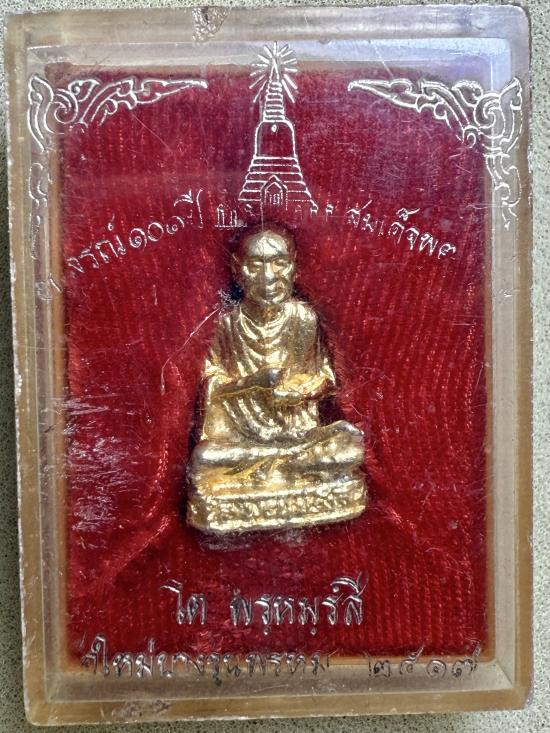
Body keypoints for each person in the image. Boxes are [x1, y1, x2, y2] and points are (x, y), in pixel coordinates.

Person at [187, 226, 367, 532]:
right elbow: (212, 382)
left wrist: (301, 391)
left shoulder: (304, 319)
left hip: (299, 433)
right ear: (238, 271)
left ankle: (285, 464)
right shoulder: (228, 324)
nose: (268, 277)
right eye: (256, 265)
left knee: (350, 446)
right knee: (205, 458)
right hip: (243, 437)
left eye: (279, 262)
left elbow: (324, 376)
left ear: (294, 267)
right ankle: (291, 465)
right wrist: (252, 382)